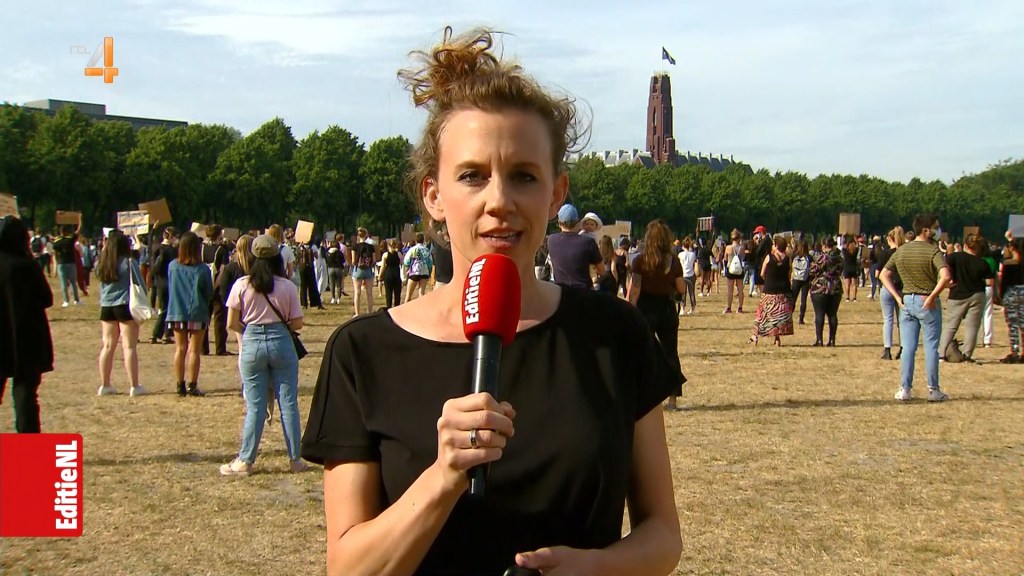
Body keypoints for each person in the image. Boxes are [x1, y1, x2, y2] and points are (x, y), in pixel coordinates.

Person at [300, 27, 681, 576]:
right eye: (472, 176)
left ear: (555, 193)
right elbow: (349, 568)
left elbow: (663, 536)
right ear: (434, 195)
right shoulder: (362, 353)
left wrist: (595, 569)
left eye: (523, 176)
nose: (499, 200)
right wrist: (444, 476)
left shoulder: (614, 335)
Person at [221, 234, 307, 476]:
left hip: (252, 342)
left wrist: (251, 332)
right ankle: (295, 459)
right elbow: (297, 322)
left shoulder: (242, 285)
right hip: (281, 342)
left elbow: (231, 323)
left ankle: (245, 460)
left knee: (255, 406)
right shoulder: (287, 286)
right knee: (288, 403)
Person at [879, 213, 951, 402]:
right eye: (935, 227)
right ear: (926, 230)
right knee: (931, 347)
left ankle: (905, 389)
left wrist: (897, 297)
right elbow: (945, 276)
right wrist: (933, 296)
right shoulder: (933, 251)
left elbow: (883, 274)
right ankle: (933, 390)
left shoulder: (902, 251)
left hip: (907, 301)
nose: (938, 230)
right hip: (927, 301)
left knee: (908, 347)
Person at [627, 219, 688, 411]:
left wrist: (629, 311)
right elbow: (681, 288)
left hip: (645, 308)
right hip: (667, 308)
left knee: (644, 353)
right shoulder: (673, 261)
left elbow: (634, 290)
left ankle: (646, 396)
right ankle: (672, 399)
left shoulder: (639, 261)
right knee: (670, 353)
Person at [0, 216, 53, 432]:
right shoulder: (26, 266)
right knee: (25, 397)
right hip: (26, 337)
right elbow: (46, 298)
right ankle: (28, 445)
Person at [96, 230, 146, 396]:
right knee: (129, 346)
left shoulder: (102, 263)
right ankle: (134, 385)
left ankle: (105, 384)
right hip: (124, 304)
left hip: (106, 306)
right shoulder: (129, 262)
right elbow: (140, 283)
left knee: (108, 345)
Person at [166, 231, 214, 397]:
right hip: (197, 311)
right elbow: (208, 292)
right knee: (194, 350)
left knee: (180, 349)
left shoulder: (172, 266)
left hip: (177, 311)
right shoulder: (202, 269)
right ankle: (192, 385)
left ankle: (180, 384)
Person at [938, 234, 992, 362]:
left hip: (957, 294)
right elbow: (989, 281)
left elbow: (944, 270)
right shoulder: (982, 263)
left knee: (951, 325)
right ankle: (967, 354)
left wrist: (947, 283)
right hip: (977, 294)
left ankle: (941, 353)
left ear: (965, 245)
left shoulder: (954, 257)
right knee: (972, 327)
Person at [547, 203, 604, 289]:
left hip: (561, 292)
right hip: (583, 292)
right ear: (577, 222)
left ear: (559, 223)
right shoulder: (588, 242)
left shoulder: (551, 240)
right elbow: (602, 270)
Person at [751, 234, 794, 346]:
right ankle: (777, 339)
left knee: (761, 314)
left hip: (769, 290)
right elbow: (789, 275)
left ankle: (754, 337)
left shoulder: (769, 257)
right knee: (778, 316)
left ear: (776, 245)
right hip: (784, 291)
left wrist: (769, 279)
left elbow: (762, 273)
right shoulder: (788, 259)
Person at [808, 236, 843, 347]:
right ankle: (832, 340)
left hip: (821, 287)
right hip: (835, 287)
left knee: (819, 314)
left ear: (824, 246)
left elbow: (813, 270)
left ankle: (819, 340)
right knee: (833, 314)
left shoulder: (822, 257)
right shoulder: (840, 257)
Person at [876, 227, 905, 360]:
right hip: (901, 289)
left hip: (887, 288)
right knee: (902, 321)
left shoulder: (885, 254)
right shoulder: (904, 252)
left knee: (888, 320)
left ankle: (887, 349)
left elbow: (877, 273)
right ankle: (903, 347)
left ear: (889, 239)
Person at [148, 227, 179, 345]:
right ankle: (160, 334)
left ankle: (163, 334)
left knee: (163, 308)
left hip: (158, 282)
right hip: (169, 281)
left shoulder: (155, 247)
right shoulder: (171, 250)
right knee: (168, 310)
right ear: (170, 237)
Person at [996, 236, 1024, 363]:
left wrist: (1001, 297)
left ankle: (1014, 351)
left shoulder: (1008, 264)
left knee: (1013, 324)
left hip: (1011, 294)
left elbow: (1004, 283)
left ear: (1013, 248)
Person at [350, 227, 376, 316]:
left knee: (357, 292)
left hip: (358, 270)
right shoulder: (370, 247)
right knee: (369, 293)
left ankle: (357, 313)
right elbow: (374, 260)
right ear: (366, 235)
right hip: (368, 269)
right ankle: (369, 312)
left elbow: (353, 261)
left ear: (358, 235)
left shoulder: (355, 246)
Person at [53, 226, 81, 307]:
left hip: (61, 263)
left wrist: (57, 262)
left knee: (63, 283)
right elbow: (78, 231)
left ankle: (66, 301)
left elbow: (55, 253)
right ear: (67, 232)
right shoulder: (70, 239)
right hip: (71, 263)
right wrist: (80, 221)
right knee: (73, 282)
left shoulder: (57, 241)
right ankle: (76, 300)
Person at [403, 232, 434, 303]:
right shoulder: (426, 250)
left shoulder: (413, 249)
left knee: (408, 296)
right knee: (421, 294)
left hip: (415, 272)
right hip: (424, 272)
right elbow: (430, 262)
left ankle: (406, 308)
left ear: (416, 240)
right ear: (423, 240)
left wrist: (407, 269)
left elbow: (406, 261)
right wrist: (429, 272)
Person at [723, 229, 746, 313]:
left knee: (730, 290)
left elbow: (725, 259)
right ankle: (740, 307)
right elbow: (743, 258)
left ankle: (729, 307)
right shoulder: (742, 248)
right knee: (740, 289)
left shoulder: (728, 247)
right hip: (739, 269)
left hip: (731, 269)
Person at [379, 238, 404, 309]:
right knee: (397, 294)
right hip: (396, 274)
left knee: (388, 293)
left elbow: (383, 266)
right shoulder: (399, 254)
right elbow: (402, 263)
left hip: (388, 274)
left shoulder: (385, 255)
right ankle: (397, 308)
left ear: (388, 245)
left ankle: (389, 308)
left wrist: (380, 275)